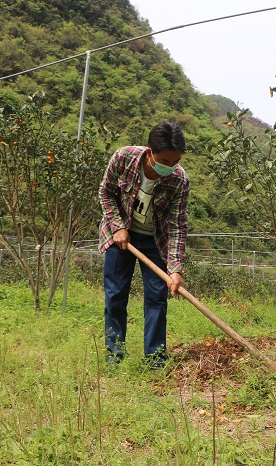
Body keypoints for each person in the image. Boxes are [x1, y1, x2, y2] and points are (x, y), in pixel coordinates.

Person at [98, 121, 189, 369]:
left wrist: (175, 269)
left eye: (175, 162)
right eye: (165, 162)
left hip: (154, 242)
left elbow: (177, 226)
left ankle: (155, 360)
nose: (170, 168)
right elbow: (105, 192)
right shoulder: (123, 158)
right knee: (115, 295)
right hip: (121, 237)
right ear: (150, 152)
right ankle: (113, 356)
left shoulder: (179, 180)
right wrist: (117, 226)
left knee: (157, 299)